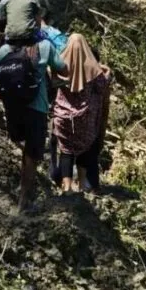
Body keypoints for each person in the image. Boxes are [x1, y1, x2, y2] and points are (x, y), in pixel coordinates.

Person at [0, 29, 69, 213]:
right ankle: (24, 201)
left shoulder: (5, 50)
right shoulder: (45, 46)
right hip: (36, 108)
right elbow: (63, 68)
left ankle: (23, 192)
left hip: (13, 108)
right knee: (32, 154)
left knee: (25, 148)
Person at [51, 35, 111, 193]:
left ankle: (67, 186)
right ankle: (83, 182)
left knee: (66, 150)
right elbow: (102, 87)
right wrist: (108, 73)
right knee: (86, 147)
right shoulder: (93, 69)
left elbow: (52, 80)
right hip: (85, 119)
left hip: (63, 117)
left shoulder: (60, 65)